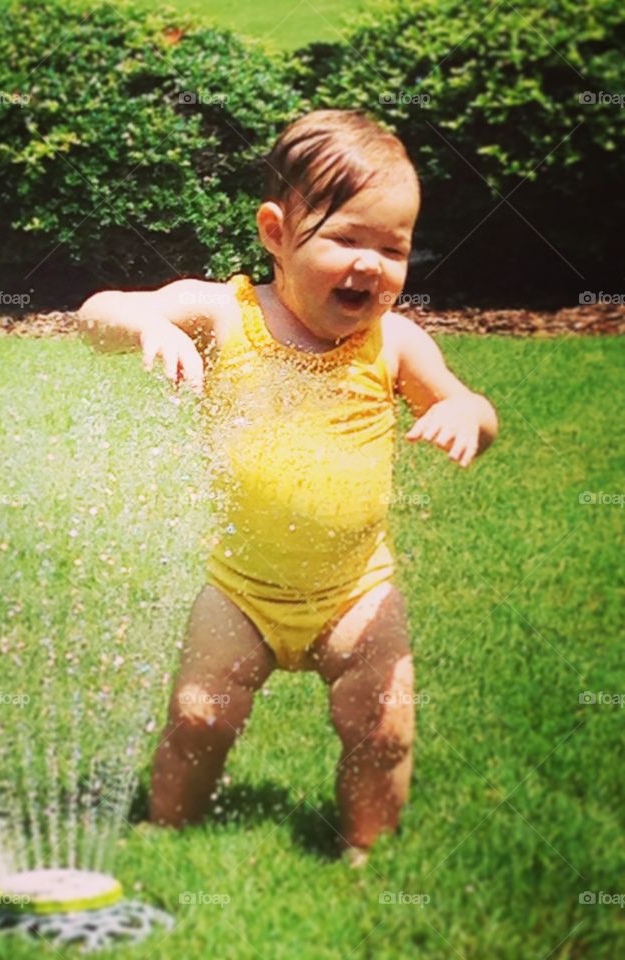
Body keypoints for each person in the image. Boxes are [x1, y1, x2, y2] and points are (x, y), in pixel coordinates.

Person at [77, 109, 498, 866]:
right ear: (275, 231)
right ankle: (165, 832)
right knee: (200, 716)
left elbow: (467, 403)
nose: (371, 266)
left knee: (383, 725)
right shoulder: (220, 314)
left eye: (393, 248)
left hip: (356, 590)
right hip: (241, 589)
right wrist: (146, 324)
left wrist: (468, 415)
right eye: (346, 240)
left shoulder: (393, 341)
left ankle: (369, 854)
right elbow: (94, 314)